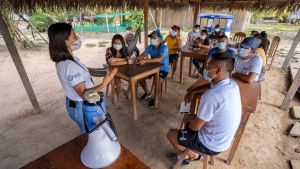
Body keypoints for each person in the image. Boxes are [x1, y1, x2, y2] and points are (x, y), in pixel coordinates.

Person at [166, 53, 241, 166]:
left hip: (211, 145)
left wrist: (189, 120)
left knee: (171, 134)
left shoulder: (211, 96)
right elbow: (210, 86)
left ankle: (190, 156)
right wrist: (193, 91)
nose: (204, 69)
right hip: (223, 140)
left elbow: (195, 127)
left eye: (208, 67)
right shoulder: (232, 84)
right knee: (191, 118)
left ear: (218, 71)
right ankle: (190, 151)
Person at [48, 23, 117, 134]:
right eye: (72, 34)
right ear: (65, 41)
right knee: (90, 133)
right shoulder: (69, 65)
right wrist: (104, 83)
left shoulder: (65, 55)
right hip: (81, 105)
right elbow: (83, 93)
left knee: (91, 130)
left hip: (76, 103)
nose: (76, 35)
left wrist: (71, 34)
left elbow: (78, 43)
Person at [136, 29, 169, 108]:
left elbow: (159, 59)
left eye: (154, 38)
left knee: (157, 83)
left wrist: (145, 60)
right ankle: (147, 93)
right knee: (140, 78)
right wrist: (139, 58)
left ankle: (155, 99)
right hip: (152, 68)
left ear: (159, 39)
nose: (152, 40)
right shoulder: (150, 47)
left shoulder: (164, 48)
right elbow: (143, 54)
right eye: (151, 38)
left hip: (163, 69)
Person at [106, 34, 134, 99]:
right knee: (120, 85)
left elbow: (130, 60)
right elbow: (111, 62)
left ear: (122, 43)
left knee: (133, 80)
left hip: (123, 72)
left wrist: (115, 60)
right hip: (112, 72)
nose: (117, 45)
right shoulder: (109, 50)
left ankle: (127, 92)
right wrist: (125, 60)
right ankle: (115, 96)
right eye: (115, 43)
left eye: (119, 43)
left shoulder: (126, 49)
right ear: (112, 43)